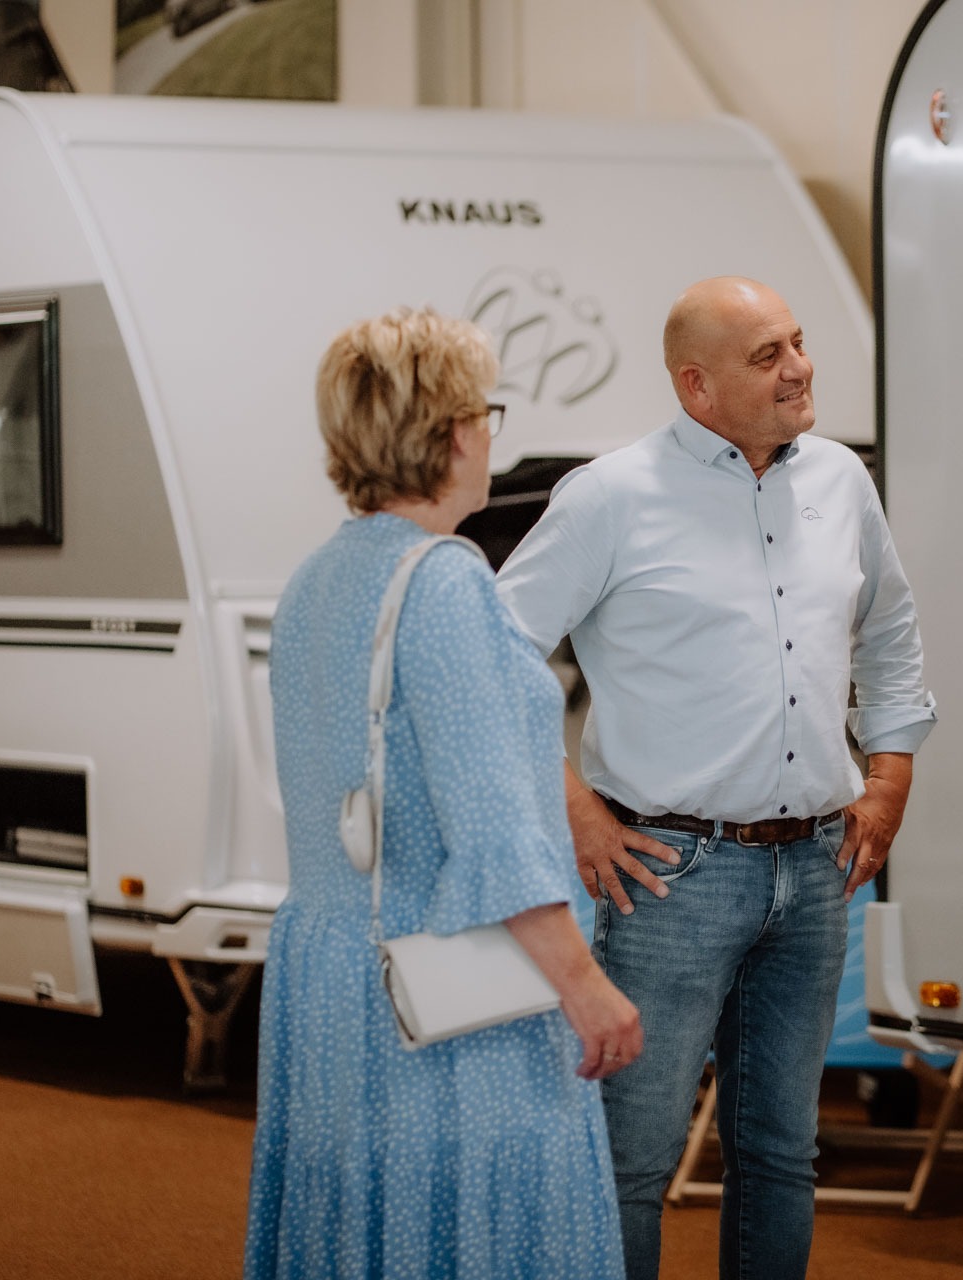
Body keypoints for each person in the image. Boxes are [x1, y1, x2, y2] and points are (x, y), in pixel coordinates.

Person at [496, 276, 936, 1280]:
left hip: (815, 868)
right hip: (667, 875)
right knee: (633, 1157)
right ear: (696, 385)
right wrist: (575, 809)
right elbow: (494, 655)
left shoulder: (841, 481)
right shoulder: (610, 495)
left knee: (782, 1154)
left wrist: (890, 775)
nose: (800, 368)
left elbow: (892, 635)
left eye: (798, 342)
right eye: (767, 355)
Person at [245, 307, 640, 1280]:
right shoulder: (447, 586)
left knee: (367, 1232)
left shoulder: (315, 579)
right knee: (478, 1237)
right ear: (455, 432)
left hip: (337, 980)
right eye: (485, 414)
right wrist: (586, 987)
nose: (490, 437)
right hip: (448, 994)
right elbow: (496, 834)